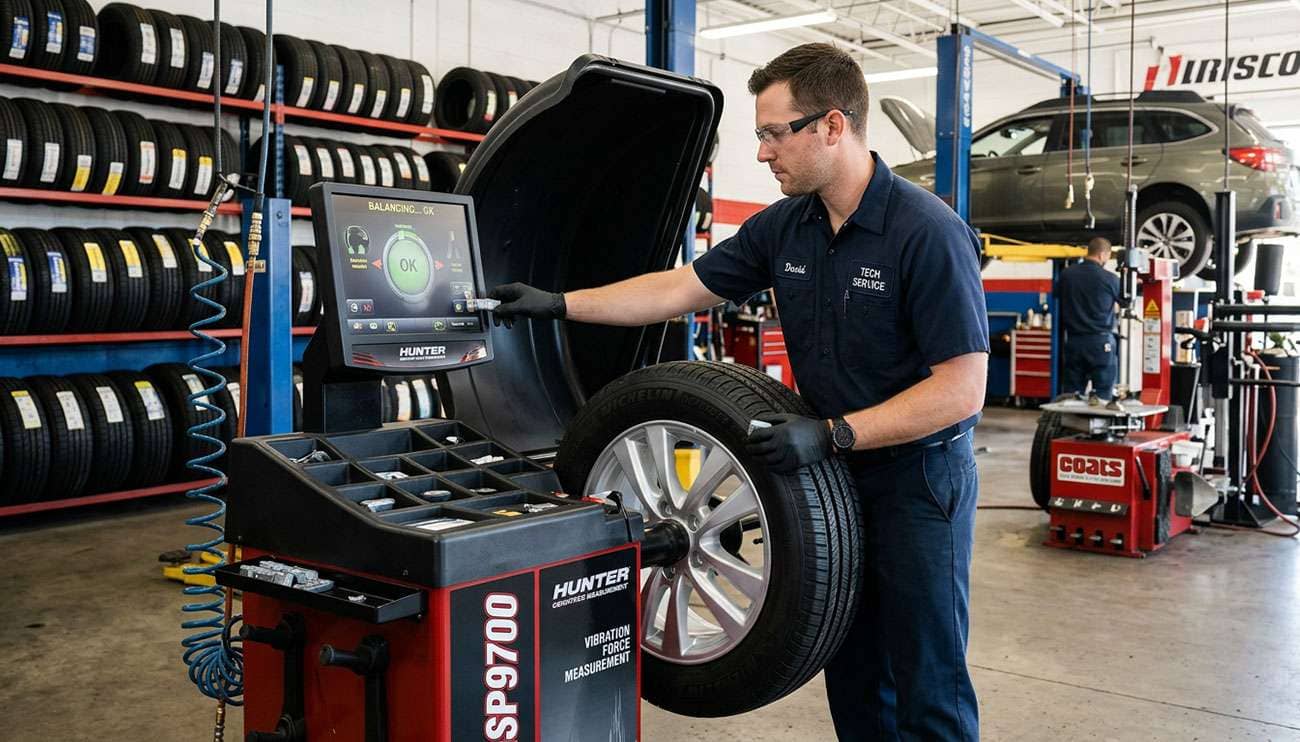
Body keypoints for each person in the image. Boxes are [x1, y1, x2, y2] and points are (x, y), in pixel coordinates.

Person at [489, 43, 986, 741]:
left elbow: (962, 390)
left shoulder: (924, 232)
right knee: (851, 672)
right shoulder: (788, 226)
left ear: (832, 127)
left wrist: (835, 432)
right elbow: (679, 288)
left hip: (917, 482)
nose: (763, 153)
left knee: (927, 678)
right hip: (835, 479)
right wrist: (560, 303)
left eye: (773, 133)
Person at [1057, 236, 1121, 400]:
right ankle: (1098, 425)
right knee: (1103, 394)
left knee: (1071, 395)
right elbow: (1126, 302)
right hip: (1101, 343)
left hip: (1074, 342)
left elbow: (1058, 297)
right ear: (1102, 255)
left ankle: (1071, 425)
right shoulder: (1110, 279)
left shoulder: (1066, 275)